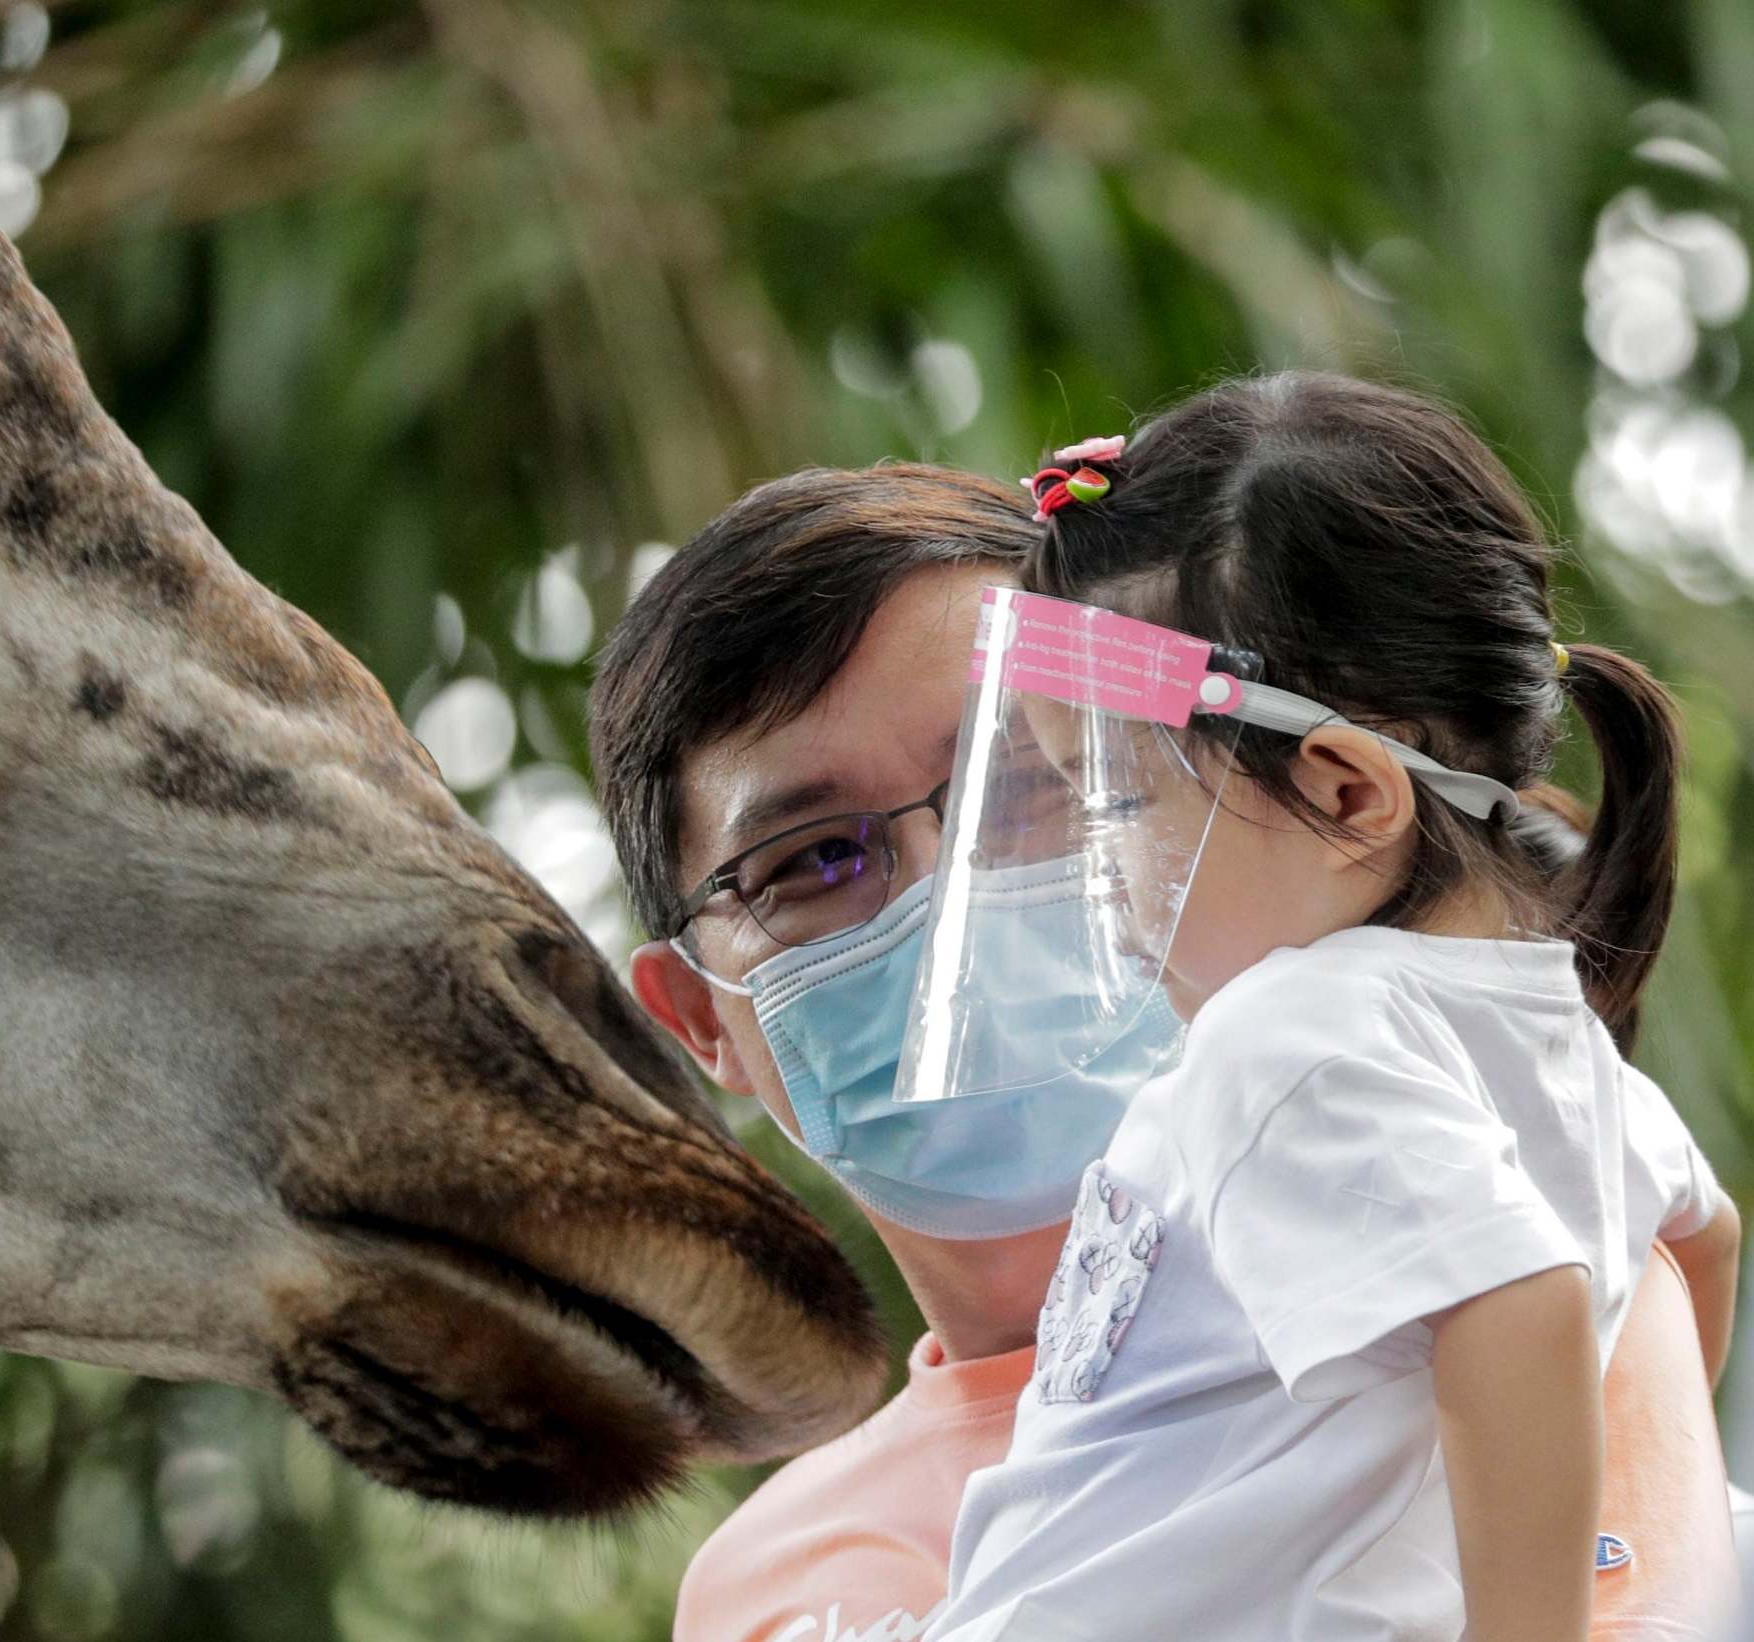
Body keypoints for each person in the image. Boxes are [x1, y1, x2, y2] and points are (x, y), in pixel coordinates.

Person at [587, 454, 1742, 1642]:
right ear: (695, 1017)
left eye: (1034, 783)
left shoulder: (1511, 1265)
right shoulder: (768, 1588)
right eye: (813, 860)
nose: (956, 901)